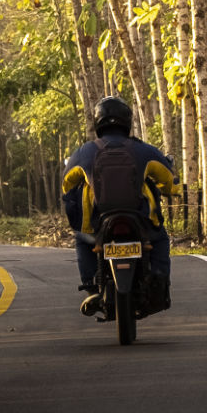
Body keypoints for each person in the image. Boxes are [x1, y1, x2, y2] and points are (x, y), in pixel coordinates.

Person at [61, 96, 176, 320]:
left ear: (97, 122)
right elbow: (169, 182)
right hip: (141, 220)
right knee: (160, 238)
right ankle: (158, 279)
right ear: (127, 121)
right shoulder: (143, 150)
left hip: (98, 223)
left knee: (82, 239)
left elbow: (67, 183)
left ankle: (91, 287)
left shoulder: (86, 151)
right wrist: (169, 189)